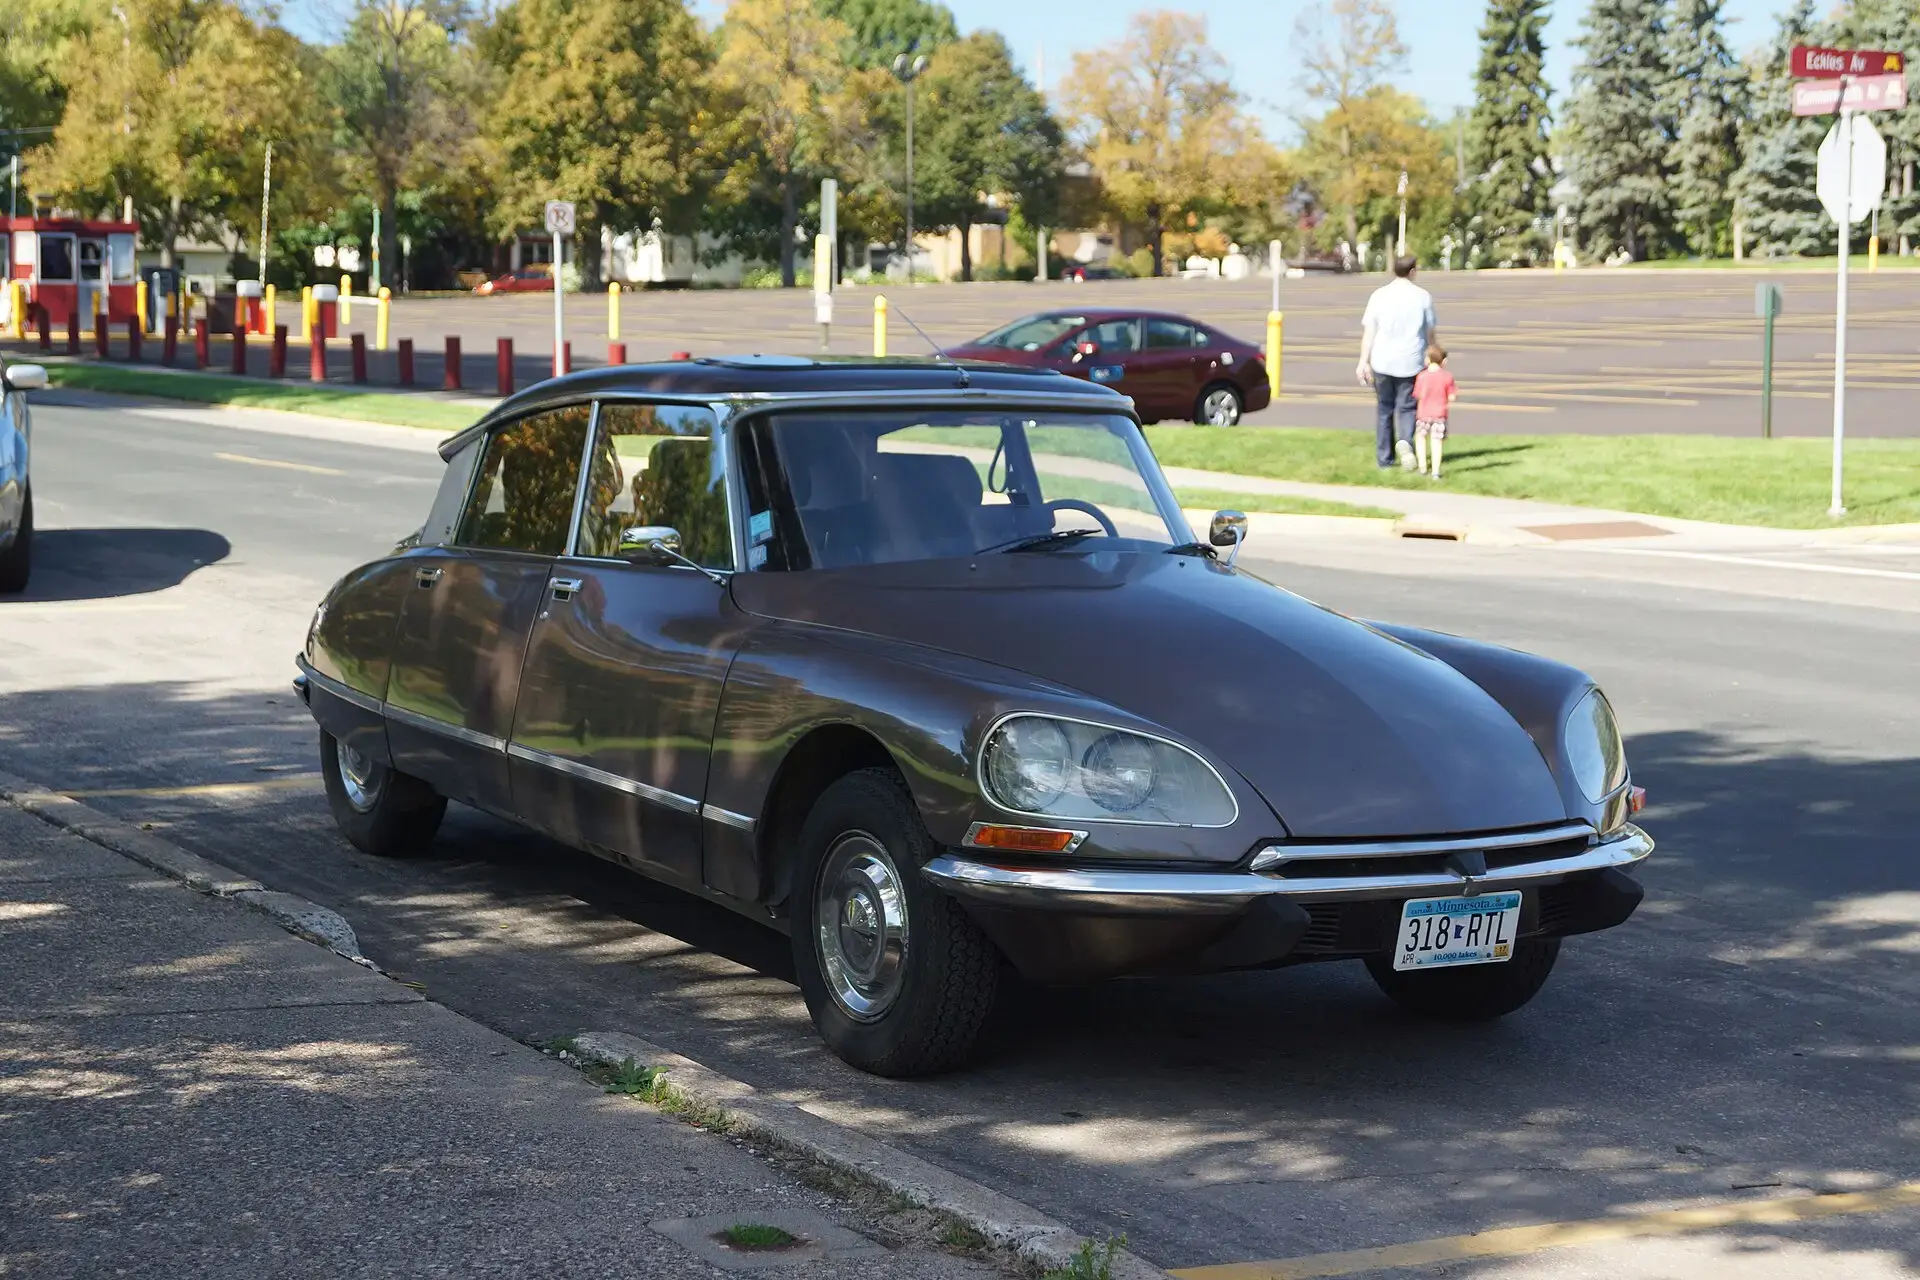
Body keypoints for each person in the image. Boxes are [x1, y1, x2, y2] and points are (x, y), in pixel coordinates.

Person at [1355, 254, 1436, 470]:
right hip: (1411, 360)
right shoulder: (1422, 297)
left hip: (1383, 360)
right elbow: (1430, 333)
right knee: (1408, 407)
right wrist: (1432, 355)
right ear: (1412, 271)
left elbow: (1369, 332)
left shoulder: (1379, 296)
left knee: (1384, 409)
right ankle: (1405, 442)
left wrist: (1364, 361)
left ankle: (1384, 458)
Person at [1412, 344, 1457, 480]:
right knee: (1436, 441)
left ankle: (1422, 467)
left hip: (1423, 413)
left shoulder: (1421, 376)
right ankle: (1436, 471)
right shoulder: (1447, 377)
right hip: (1439, 414)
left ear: (1427, 360)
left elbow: (1418, 394)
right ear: (1443, 361)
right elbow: (1452, 396)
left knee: (1421, 438)